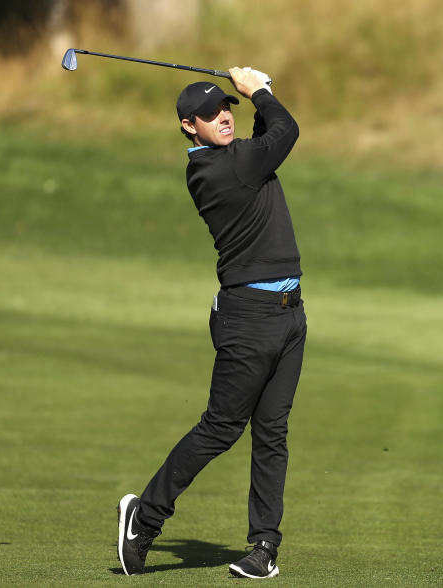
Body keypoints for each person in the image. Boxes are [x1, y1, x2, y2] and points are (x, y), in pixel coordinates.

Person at [115, 67, 306, 580]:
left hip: (289, 315)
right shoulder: (225, 167)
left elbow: (269, 136)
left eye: (227, 108)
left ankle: (264, 546)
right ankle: (145, 516)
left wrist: (253, 96)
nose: (223, 116)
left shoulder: (239, 158)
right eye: (208, 114)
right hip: (250, 318)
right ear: (187, 126)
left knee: (272, 433)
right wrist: (260, 88)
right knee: (221, 427)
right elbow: (284, 130)